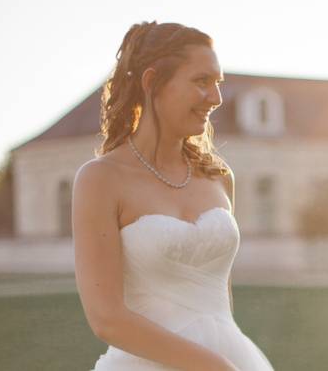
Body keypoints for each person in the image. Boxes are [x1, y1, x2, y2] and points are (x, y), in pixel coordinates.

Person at [72, 20, 275, 371]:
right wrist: (212, 365)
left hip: (234, 357)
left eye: (217, 83)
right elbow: (106, 318)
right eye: (201, 82)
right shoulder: (100, 179)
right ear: (152, 82)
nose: (216, 98)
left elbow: (220, 299)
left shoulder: (219, 178)